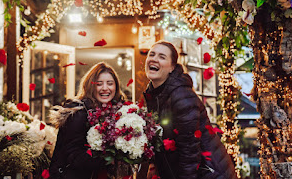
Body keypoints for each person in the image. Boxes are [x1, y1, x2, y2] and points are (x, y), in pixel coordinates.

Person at [143, 41, 237, 179]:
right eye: (152, 54)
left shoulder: (182, 96)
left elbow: (189, 153)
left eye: (162, 57)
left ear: (172, 67)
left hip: (210, 174)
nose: (154, 59)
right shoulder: (155, 95)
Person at [49, 62, 125, 179]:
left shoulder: (115, 113)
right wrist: (110, 157)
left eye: (110, 83)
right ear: (91, 86)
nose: (105, 88)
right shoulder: (79, 113)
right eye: (99, 84)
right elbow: (73, 157)